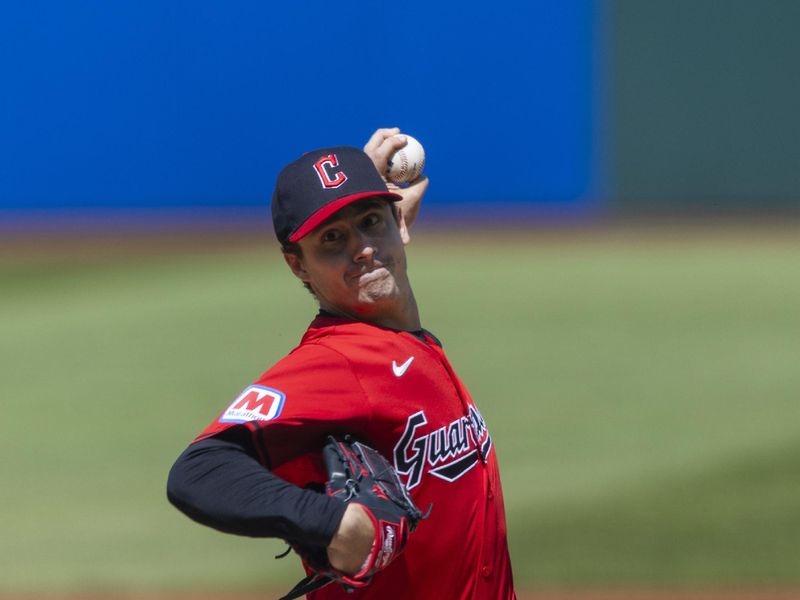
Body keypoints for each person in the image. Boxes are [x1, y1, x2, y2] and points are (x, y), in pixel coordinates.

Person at [167, 128, 516, 599]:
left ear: (401, 223)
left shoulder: (405, 344)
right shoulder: (339, 361)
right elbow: (199, 471)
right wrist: (335, 523)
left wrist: (355, 192)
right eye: (332, 238)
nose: (362, 248)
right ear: (298, 266)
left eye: (372, 222)